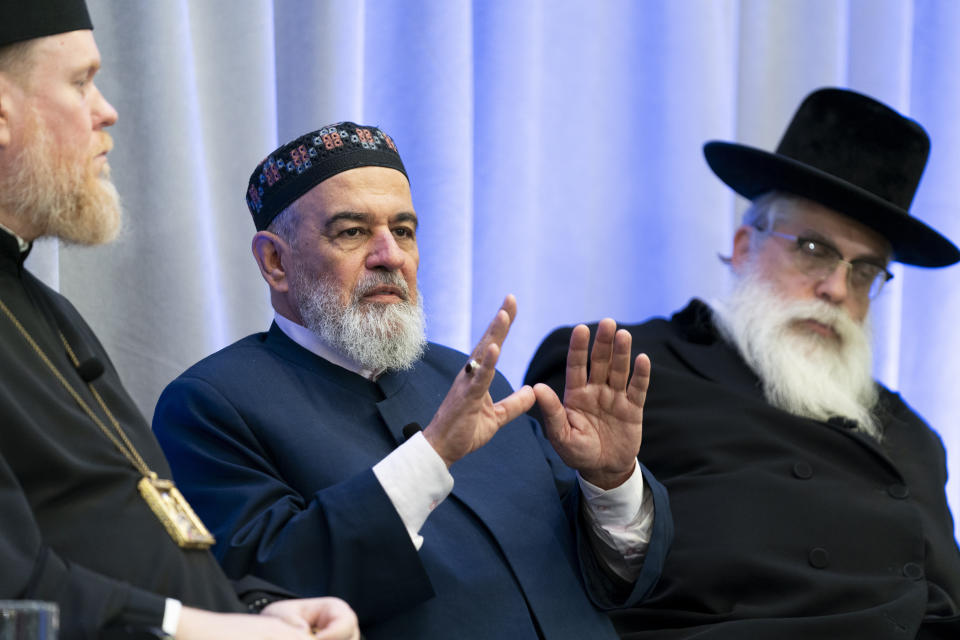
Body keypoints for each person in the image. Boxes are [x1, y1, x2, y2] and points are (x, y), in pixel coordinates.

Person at [151, 122, 673, 639]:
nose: (391, 256)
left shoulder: (467, 379)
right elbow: (268, 592)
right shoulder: (211, 406)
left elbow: (612, 581)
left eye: (403, 231)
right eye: (352, 232)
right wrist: (432, 456)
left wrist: (610, 482)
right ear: (274, 261)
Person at [525, 87, 960, 639]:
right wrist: (611, 480)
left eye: (866, 270)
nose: (835, 288)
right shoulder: (619, 370)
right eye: (813, 249)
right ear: (743, 245)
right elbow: (532, 575)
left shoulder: (914, 439)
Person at [0, 3, 360, 639]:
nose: (105, 110)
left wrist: (255, 609)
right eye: (81, 82)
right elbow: (15, 586)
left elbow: (143, 527)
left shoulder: (46, 310)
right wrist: (202, 630)